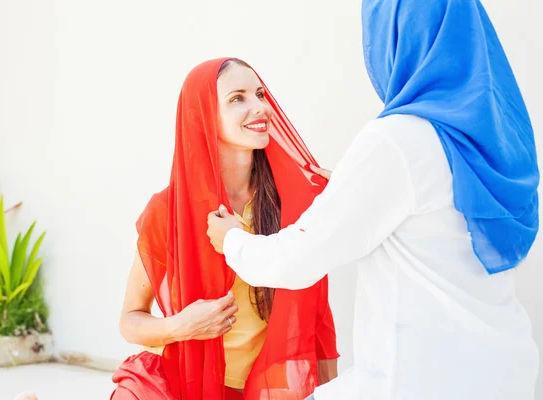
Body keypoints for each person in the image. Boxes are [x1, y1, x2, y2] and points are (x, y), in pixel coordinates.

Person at [207, 1, 540, 399]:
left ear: (395, 38)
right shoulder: (497, 140)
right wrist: (353, 187)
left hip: (417, 383)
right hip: (508, 374)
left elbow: (295, 260)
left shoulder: (397, 139)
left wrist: (232, 240)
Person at [111, 58, 339, 400]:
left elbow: (318, 320)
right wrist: (181, 326)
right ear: (203, 115)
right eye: (238, 98)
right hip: (178, 381)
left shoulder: (297, 202)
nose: (260, 107)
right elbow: (130, 319)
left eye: (260, 94)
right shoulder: (167, 210)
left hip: (259, 387)